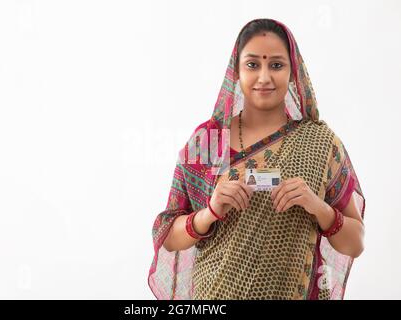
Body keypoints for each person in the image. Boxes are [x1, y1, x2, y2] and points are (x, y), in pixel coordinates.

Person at [148, 18, 365, 300]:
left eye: (276, 65)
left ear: (292, 72)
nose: (264, 77)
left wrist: (318, 207)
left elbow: (356, 243)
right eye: (252, 65)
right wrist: (210, 213)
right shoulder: (208, 141)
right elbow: (167, 236)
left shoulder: (320, 143)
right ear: (236, 72)